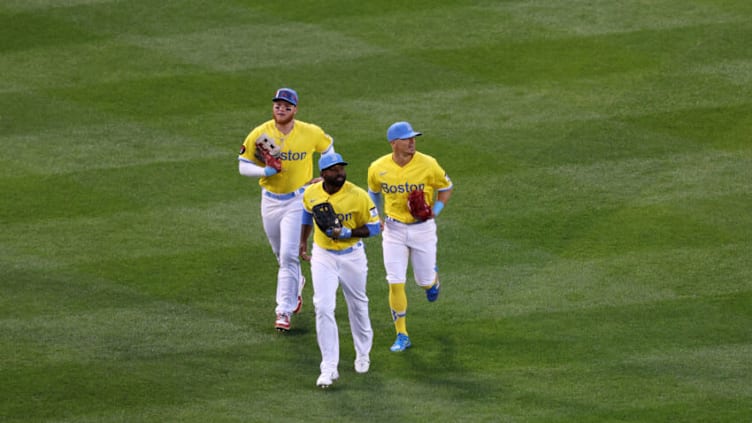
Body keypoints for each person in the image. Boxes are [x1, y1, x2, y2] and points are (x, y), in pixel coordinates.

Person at [238, 87, 335, 332]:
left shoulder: (310, 132)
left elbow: (329, 148)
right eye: (277, 105)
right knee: (281, 254)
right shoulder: (260, 133)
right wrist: (264, 172)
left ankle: (284, 310)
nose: (281, 109)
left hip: (298, 200)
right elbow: (242, 164)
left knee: (290, 256)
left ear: (295, 109)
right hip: (270, 200)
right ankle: (296, 283)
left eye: (286, 106)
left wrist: (325, 176)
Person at [367, 121, 453, 352]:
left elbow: (446, 187)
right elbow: (373, 193)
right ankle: (402, 334)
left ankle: (432, 281)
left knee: (423, 282)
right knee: (395, 281)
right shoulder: (377, 167)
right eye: (407, 139)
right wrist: (377, 218)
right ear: (394, 143)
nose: (412, 142)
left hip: (423, 229)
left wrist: (436, 211)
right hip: (393, 231)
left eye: (414, 138)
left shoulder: (428, 163)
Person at [299, 153, 381, 388]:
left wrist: (348, 233)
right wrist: (303, 240)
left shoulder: (359, 196)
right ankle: (328, 366)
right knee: (323, 307)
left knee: (358, 304)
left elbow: (375, 228)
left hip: (352, 256)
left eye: (342, 169)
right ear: (323, 173)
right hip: (323, 256)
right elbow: (307, 213)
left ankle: (363, 353)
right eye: (334, 170)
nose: (340, 173)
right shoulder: (311, 193)